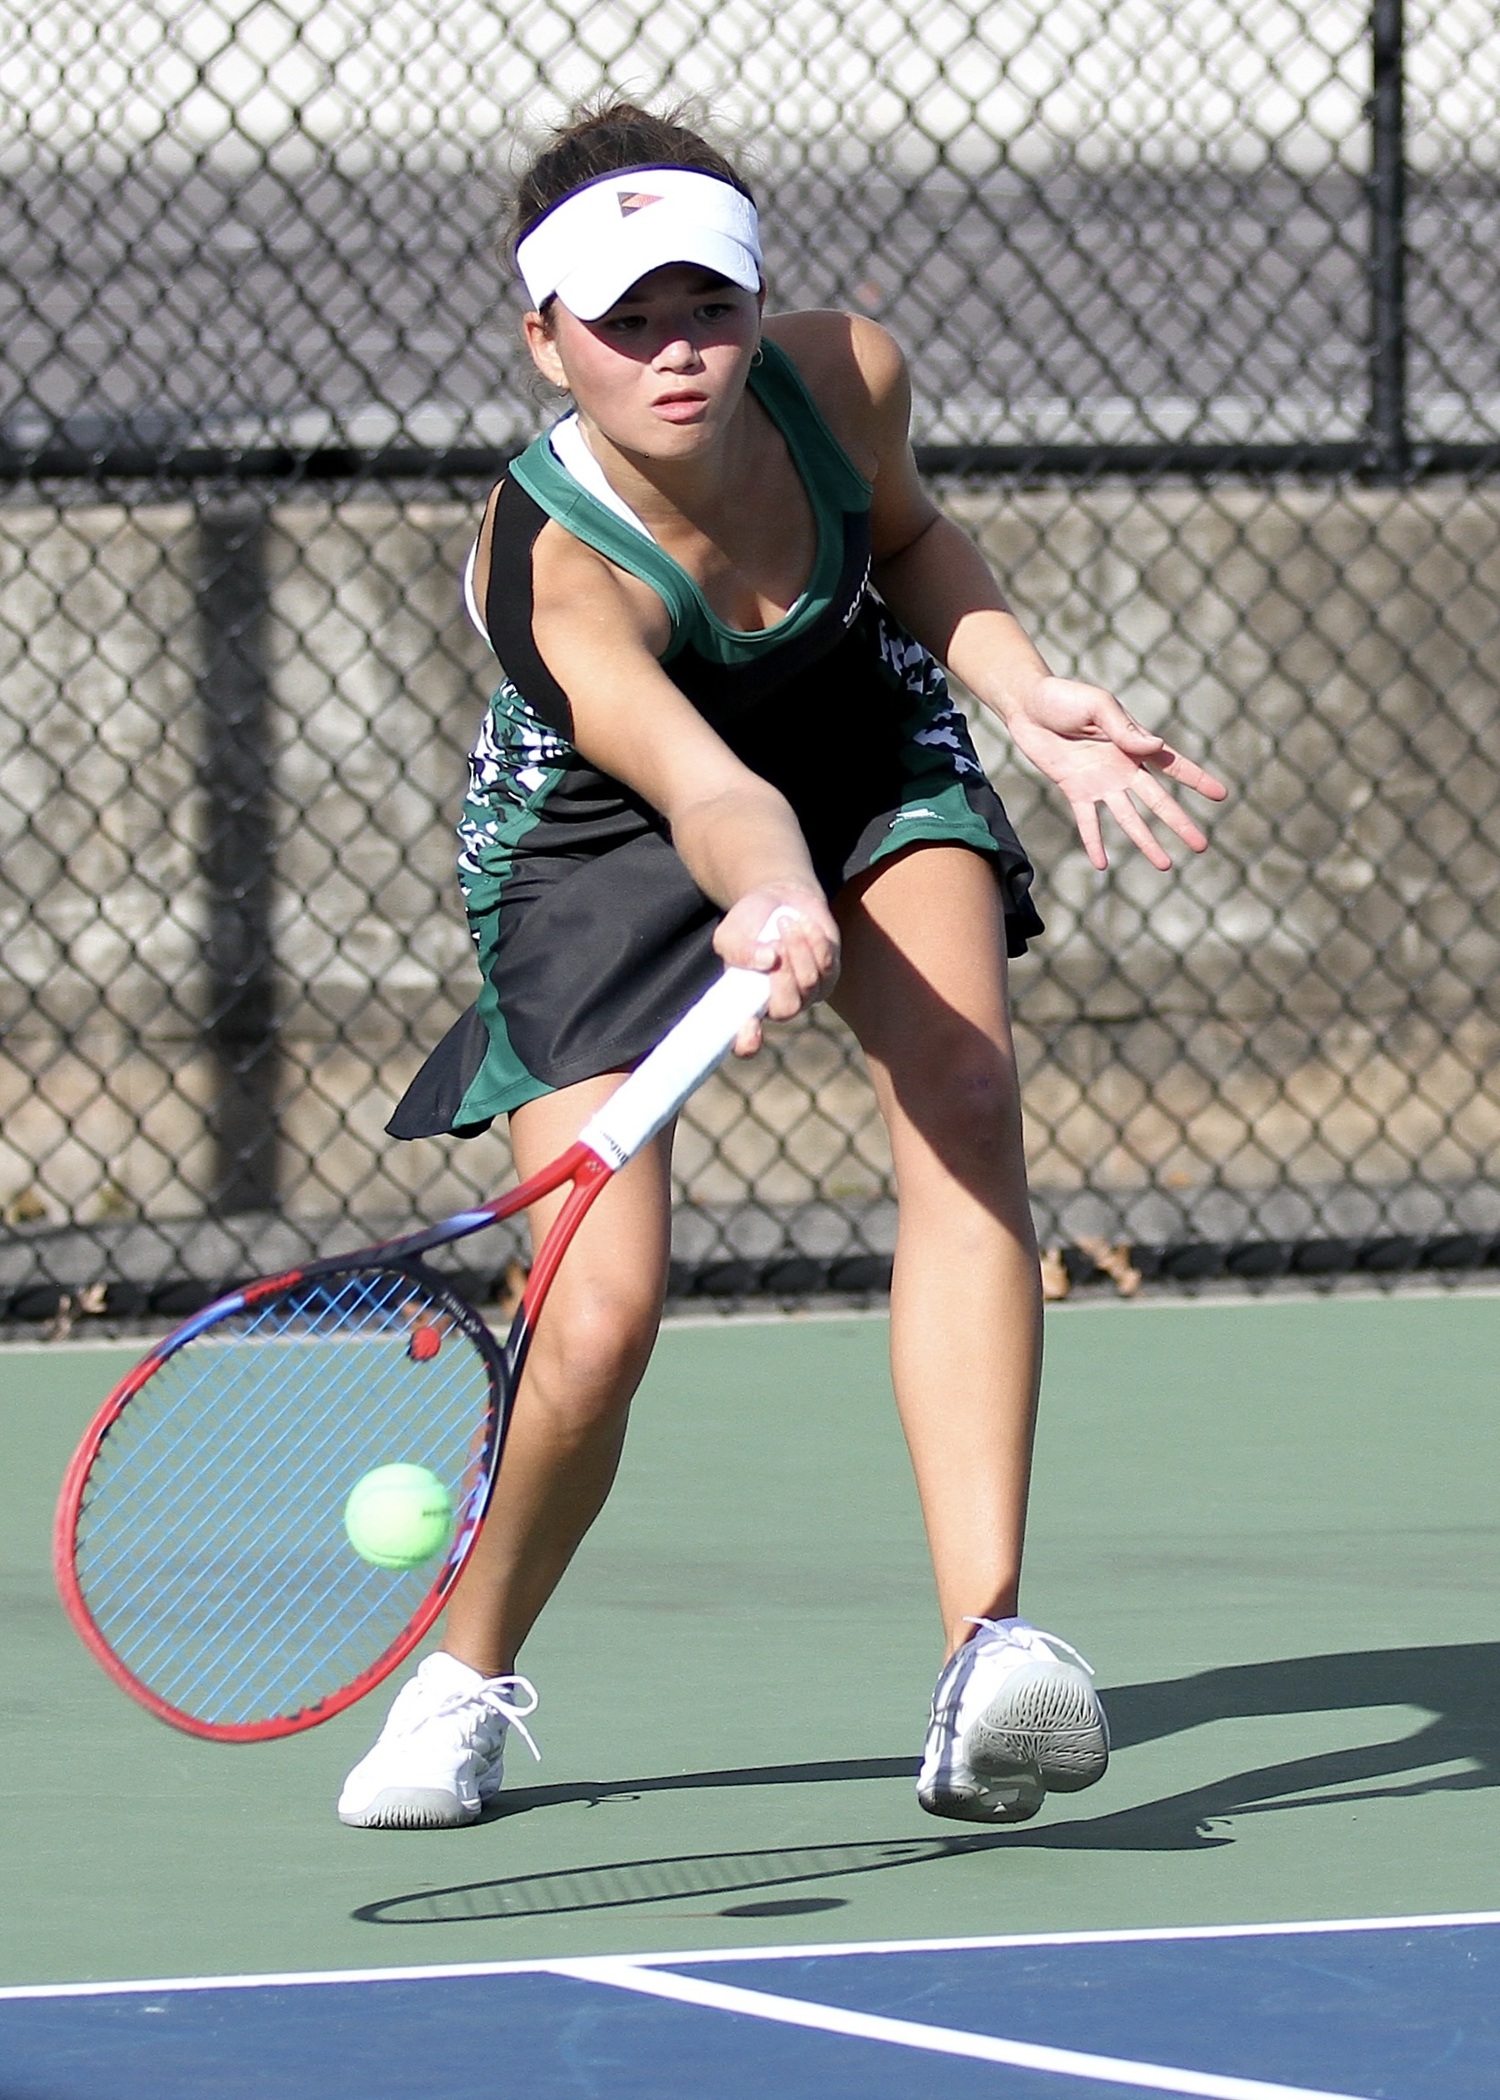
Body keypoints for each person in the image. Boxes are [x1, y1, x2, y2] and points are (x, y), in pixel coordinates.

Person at [337, 100, 1225, 1831]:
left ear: (761, 301)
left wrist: (1024, 690)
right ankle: (462, 1672)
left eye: (710, 306)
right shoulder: (553, 558)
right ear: (544, 337)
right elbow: (701, 784)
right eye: (626, 320)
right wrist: (763, 892)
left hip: (860, 733)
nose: (679, 352)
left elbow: (905, 540)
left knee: (969, 1091)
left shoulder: (842, 377)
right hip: (606, 835)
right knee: (596, 1311)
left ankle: (989, 1651)